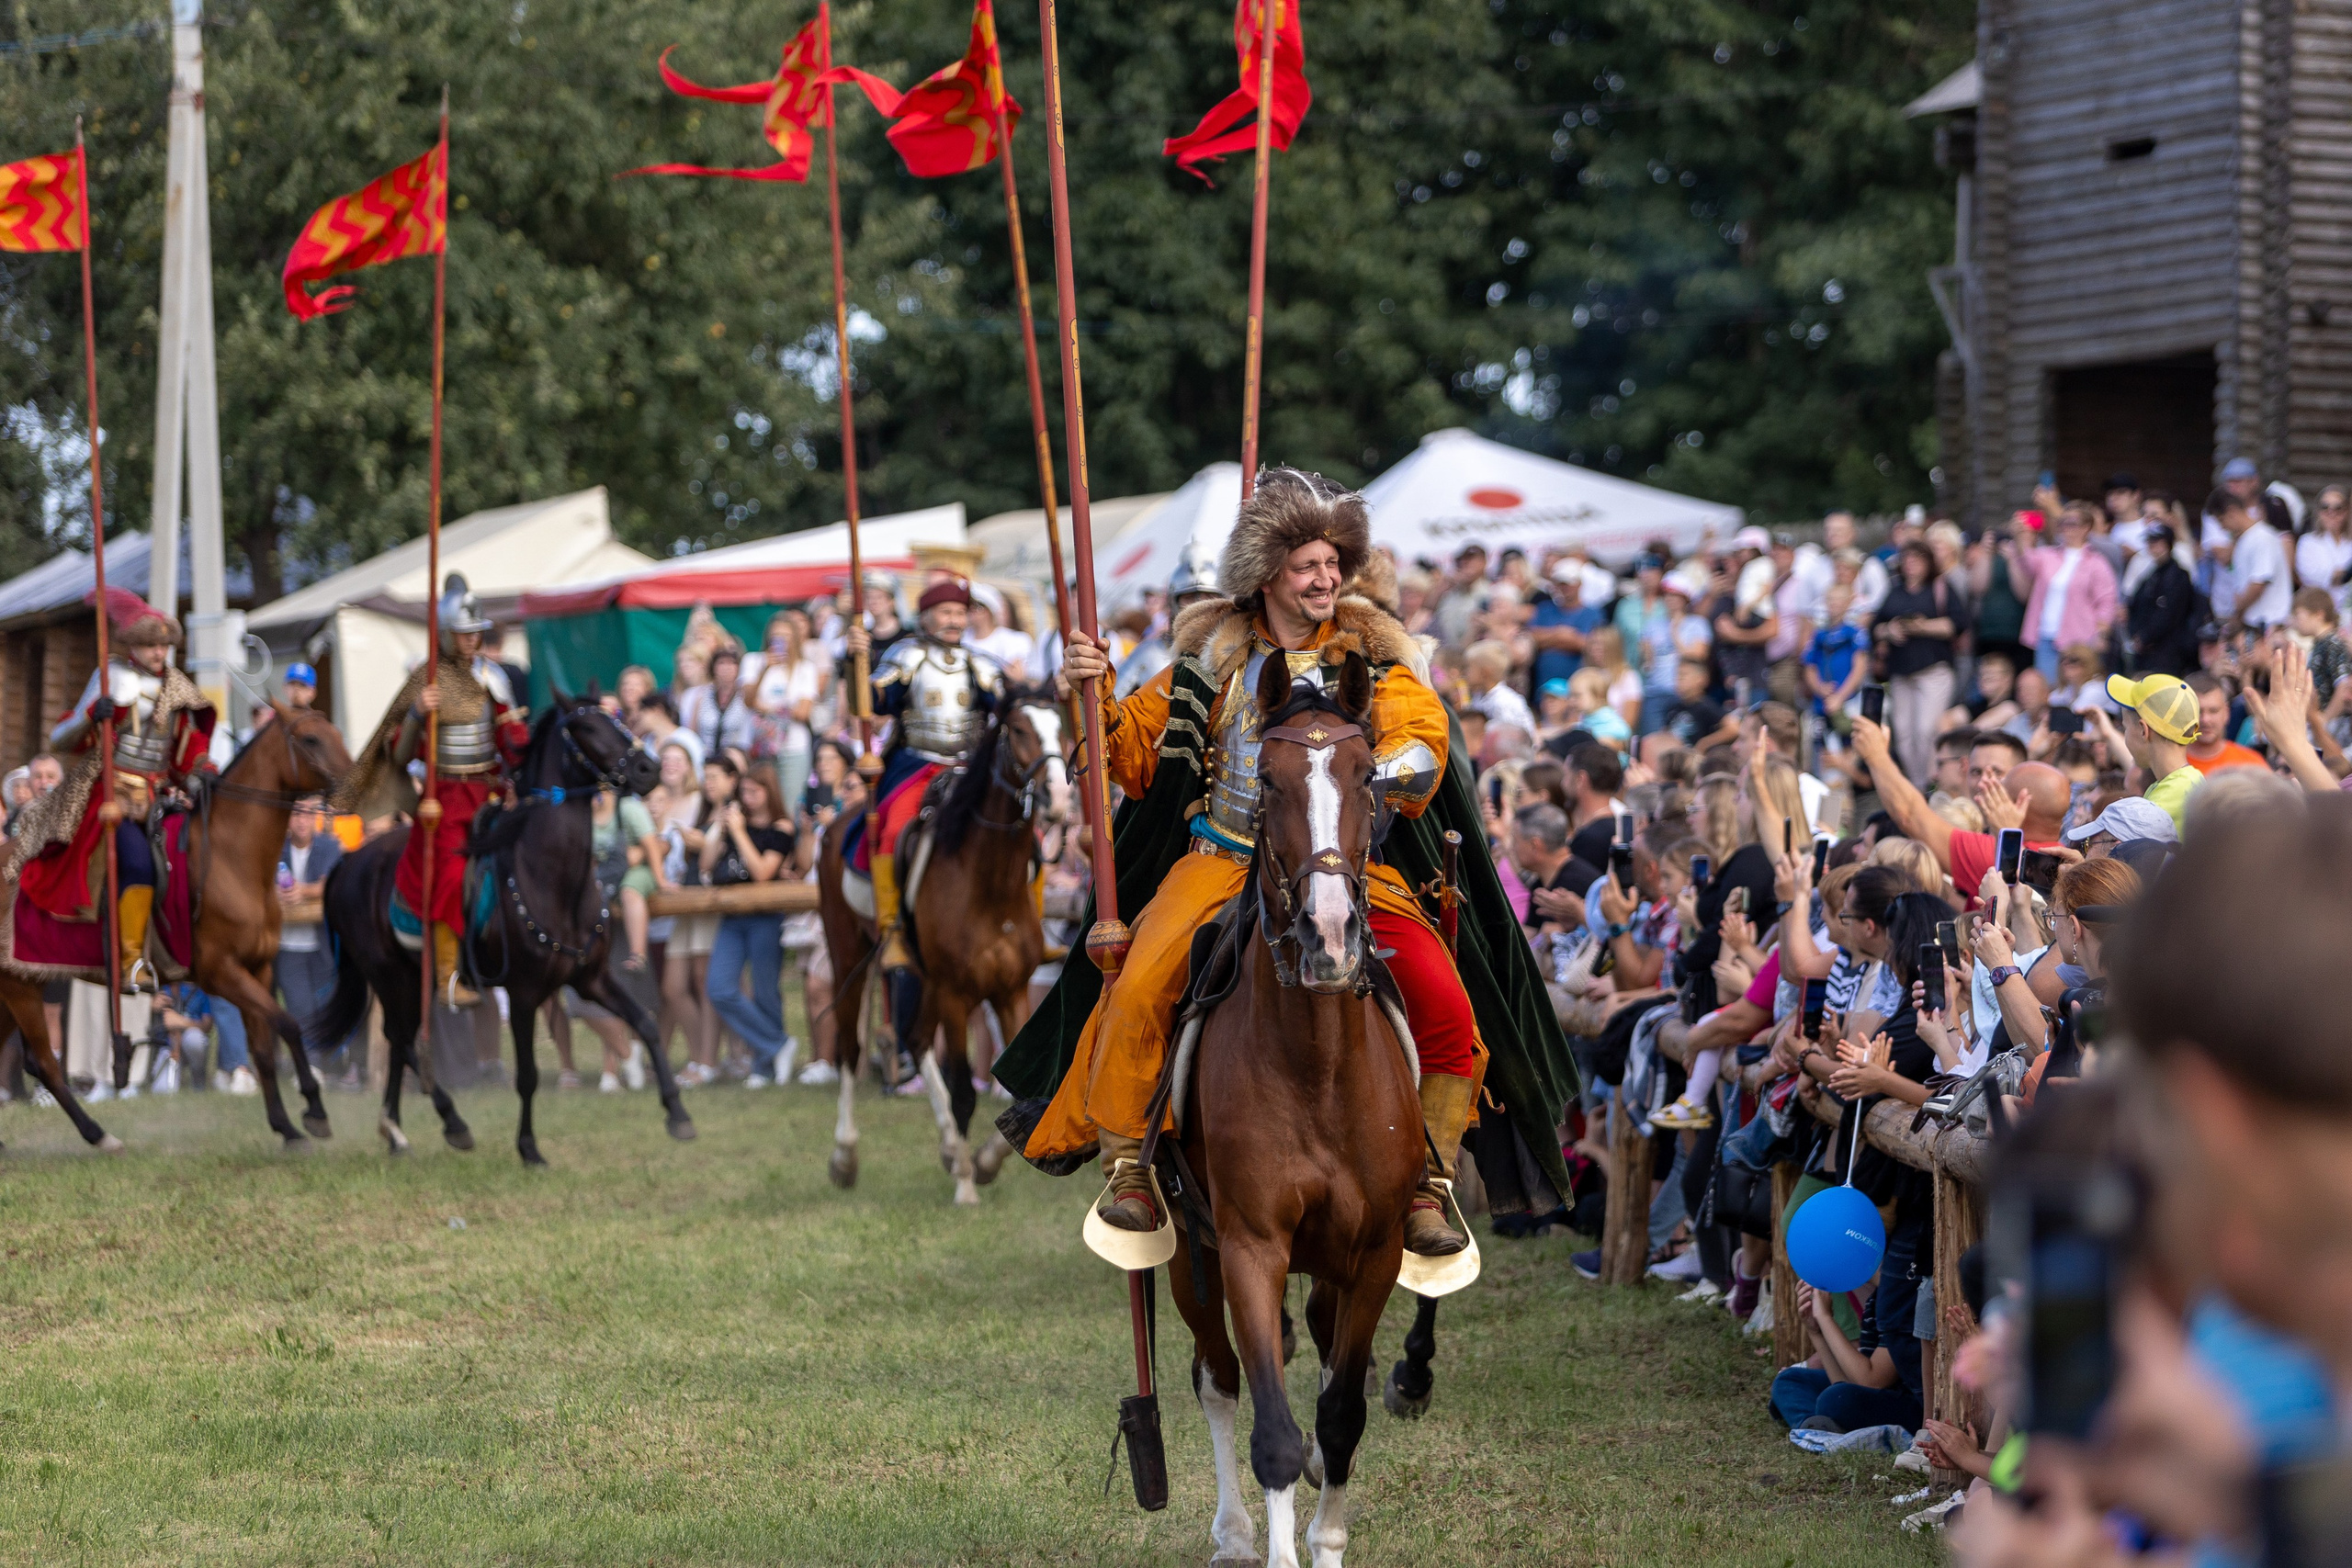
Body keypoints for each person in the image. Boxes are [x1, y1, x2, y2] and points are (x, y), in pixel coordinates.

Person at [1009, 468, 1544, 1258]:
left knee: (1445, 999)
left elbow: (1423, 745)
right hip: (1221, 860)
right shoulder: (1211, 663)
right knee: (1139, 986)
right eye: (1307, 566)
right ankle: (1131, 1168)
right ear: (1267, 575)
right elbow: (1134, 755)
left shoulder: (1373, 659)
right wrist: (1088, 695)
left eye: (1332, 564)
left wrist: (1363, 769)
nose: (1325, 579)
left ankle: (1428, 1180)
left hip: (1342, 870)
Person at [3, 589, 216, 989]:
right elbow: (62, 739)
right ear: (134, 645)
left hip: (159, 797)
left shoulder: (178, 686)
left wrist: (202, 770)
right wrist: (90, 718)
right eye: (150, 645)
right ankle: (132, 961)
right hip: (110, 794)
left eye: (163, 646)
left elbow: (188, 747)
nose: (159, 653)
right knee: (137, 864)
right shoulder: (113, 677)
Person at [334, 576, 528, 1008]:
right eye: (464, 633)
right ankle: (448, 976)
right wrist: (418, 715)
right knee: (451, 876)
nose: (473, 640)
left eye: (477, 632)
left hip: (491, 793)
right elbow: (401, 755)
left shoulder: (493, 677)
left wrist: (522, 773)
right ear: (447, 634)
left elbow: (510, 737)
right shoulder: (428, 679)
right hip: (446, 799)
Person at [843, 577, 1008, 1069]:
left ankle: (1025, 921)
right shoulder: (907, 656)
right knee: (894, 831)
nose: (955, 620)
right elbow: (868, 703)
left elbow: (1009, 707)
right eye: (946, 612)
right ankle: (893, 928)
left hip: (971, 768)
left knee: (1020, 833)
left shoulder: (982, 665)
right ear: (926, 617)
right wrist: (856, 661)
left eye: (960, 612)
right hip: (918, 766)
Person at [1849, 716, 2071, 906]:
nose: (1984, 783)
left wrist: (1875, 755)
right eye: (1975, 772)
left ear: (2022, 802)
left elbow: (1910, 815)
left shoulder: (1993, 852)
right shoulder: (2067, 862)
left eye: (1998, 776)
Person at [700, 759, 797, 1087]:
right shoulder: (733, 822)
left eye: (755, 791)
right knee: (719, 988)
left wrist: (740, 833)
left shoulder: (782, 828)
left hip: (765, 917)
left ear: (770, 792)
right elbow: (706, 864)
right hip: (732, 917)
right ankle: (777, 1045)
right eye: (744, 791)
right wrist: (719, 829)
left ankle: (764, 1068)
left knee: (766, 992)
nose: (748, 797)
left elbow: (763, 872)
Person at [275, 798, 349, 1078]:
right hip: (288, 945)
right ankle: (311, 1065)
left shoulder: (328, 846)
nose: (302, 820)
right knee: (300, 1007)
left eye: (308, 814)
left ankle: (333, 1064)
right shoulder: (276, 848)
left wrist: (302, 891)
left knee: (326, 1004)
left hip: (322, 944)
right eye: (296, 814)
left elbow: (332, 882)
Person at [2007, 502, 2120, 684]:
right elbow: (2027, 562)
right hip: (2046, 634)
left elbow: (2107, 601)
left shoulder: (2097, 563)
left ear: (2086, 527)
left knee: (2075, 687)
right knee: (2047, 686)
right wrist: (2020, 537)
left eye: (2072, 523)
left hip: (2080, 638)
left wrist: (2102, 633)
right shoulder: (2048, 555)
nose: (2066, 528)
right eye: (2063, 523)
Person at [2095, 671, 2205, 829]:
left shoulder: (2161, 806)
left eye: (2125, 727)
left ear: (2143, 731)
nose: (2125, 734)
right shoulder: (2189, 781)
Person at [744, 608, 829, 812]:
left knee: (791, 806)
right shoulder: (753, 661)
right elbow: (747, 700)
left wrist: (766, 707)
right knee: (761, 808)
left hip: (794, 748)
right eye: (776, 636)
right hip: (761, 746)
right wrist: (764, 670)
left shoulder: (805, 668)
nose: (781, 641)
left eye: (786, 636)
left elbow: (803, 712)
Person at [2211, 484, 2292, 635]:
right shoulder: (2244, 540)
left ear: (2232, 512)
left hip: (2269, 624)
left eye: (2221, 521)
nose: (2222, 527)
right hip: (2254, 623)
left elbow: (2258, 583)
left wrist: (2237, 611)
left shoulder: (2263, 538)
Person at [2123, 522, 2201, 676]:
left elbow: (2170, 614)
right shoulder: (2151, 575)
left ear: (2168, 544)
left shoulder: (2178, 576)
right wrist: (2137, 636)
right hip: (2146, 650)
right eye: (2150, 543)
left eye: (2157, 542)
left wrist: (2146, 637)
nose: (2152, 547)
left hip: (2168, 651)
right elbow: (2135, 606)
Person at [1528, 560, 1603, 689]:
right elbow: (1531, 638)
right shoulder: (1544, 609)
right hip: (1544, 686)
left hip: (1577, 685)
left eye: (1568, 584)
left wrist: (1547, 640)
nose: (1564, 588)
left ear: (1579, 584)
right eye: (1560, 584)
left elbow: (1588, 645)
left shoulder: (1592, 613)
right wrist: (1561, 634)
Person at [2180, 672, 2267, 775]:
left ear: (2226, 713)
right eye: (2198, 711)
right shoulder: (2169, 765)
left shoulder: (2251, 764)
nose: (2205, 719)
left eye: (2213, 711)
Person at [2299, 482, 2352, 622]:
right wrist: (2344, 574)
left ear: (2347, 511)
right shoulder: (2307, 542)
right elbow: (2312, 578)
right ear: (2318, 511)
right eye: (2325, 507)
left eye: (2338, 508)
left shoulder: (2349, 542)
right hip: (2319, 616)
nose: (2331, 513)